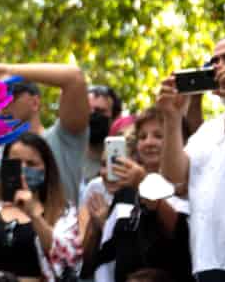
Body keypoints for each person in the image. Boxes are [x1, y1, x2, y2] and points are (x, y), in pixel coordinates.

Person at [156, 33, 225, 281]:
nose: (219, 67)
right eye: (214, 62)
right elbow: (175, 180)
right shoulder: (208, 130)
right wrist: (172, 118)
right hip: (206, 263)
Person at [78, 108, 191, 282]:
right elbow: (98, 260)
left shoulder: (187, 186)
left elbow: (181, 234)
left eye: (158, 136)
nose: (149, 142)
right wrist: (98, 226)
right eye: (143, 137)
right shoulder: (126, 191)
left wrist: (144, 184)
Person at [0, 63, 89, 211]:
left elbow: (74, 77)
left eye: (10, 96)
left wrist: (8, 70)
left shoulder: (63, 139)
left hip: (59, 224)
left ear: (35, 102)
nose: (3, 104)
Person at [0, 132, 81, 282]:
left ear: (46, 169)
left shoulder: (64, 212)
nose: (22, 170)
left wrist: (34, 215)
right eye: (15, 163)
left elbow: (70, 262)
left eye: (31, 164)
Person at [82, 84, 123, 189]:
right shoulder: (68, 155)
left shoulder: (123, 161)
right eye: (87, 110)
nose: (92, 115)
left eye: (99, 111)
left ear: (115, 118)